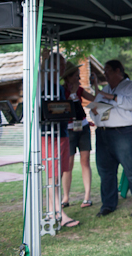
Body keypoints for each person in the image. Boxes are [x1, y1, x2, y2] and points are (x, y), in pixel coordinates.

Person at [91, 59, 132, 217]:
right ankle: (108, 204)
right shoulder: (105, 88)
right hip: (103, 132)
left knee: (131, 169)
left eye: (108, 70)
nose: (105, 74)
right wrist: (95, 111)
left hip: (123, 132)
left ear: (118, 71)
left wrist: (113, 98)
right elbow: (94, 107)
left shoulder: (131, 87)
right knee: (106, 171)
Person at [40, 52, 79, 228]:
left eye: (63, 65)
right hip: (49, 135)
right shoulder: (44, 83)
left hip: (62, 133)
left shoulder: (59, 86)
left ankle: (53, 208)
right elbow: (40, 75)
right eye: (60, 65)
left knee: (59, 173)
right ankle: (58, 212)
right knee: (52, 174)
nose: (63, 68)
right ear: (51, 66)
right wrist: (43, 60)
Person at [60, 61, 95, 209]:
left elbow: (94, 100)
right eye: (76, 76)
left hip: (83, 128)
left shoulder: (80, 90)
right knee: (68, 164)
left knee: (85, 161)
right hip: (68, 130)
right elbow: (62, 107)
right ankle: (66, 197)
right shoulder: (61, 90)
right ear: (68, 77)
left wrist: (96, 85)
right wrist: (72, 95)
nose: (79, 79)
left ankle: (87, 196)